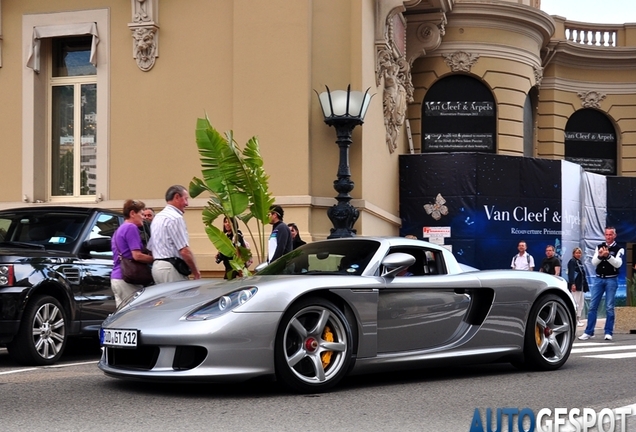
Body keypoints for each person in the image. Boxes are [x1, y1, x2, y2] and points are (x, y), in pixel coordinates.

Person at [148, 185, 201, 283]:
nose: (187, 204)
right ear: (177, 197)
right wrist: (196, 271)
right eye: (185, 199)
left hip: (157, 268)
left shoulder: (157, 217)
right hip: (171, 268)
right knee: (179, 298)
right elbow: (184, 251)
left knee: (165, 298)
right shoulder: (175, 218)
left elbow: (151, 248)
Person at [579, 227, 624, 341]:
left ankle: (608, 332)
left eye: (610, 234)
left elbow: (618, 264)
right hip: (599, 279)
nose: (608, 237)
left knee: (609, 307)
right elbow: (594, 262)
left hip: (611, 280)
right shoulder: (599, 247)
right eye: (606, 234)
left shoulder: (619, 248)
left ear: (614, 235)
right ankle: (589, 332)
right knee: (593, 306)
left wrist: (608, 256)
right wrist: (600, 255)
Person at [111, 199, 154, 307]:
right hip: (128, 280)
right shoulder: (131, 227)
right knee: (138, 313)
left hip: (117, 278)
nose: (143, 217)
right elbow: (137, 255)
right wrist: (156, 259)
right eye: (141, 214)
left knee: (122, 317)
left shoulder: (119, 230)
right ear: (132, 213)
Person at [567, 247, 589, 327]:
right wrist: (572, 283)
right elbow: (571, 273)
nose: (578, 254)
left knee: (581, 303)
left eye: (579, 253)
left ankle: (578, 319)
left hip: (581, 285)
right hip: (576, 285)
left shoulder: (579, 262)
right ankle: (574, 319)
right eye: (576, 253)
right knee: (575, 303)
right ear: (573, 254)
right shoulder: (572, 262)